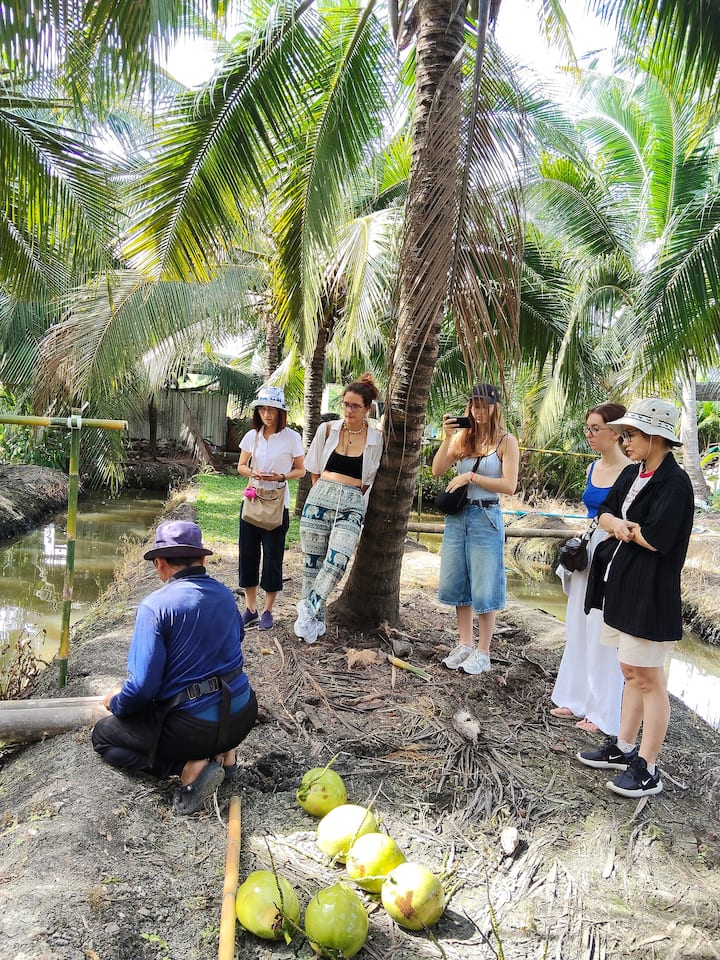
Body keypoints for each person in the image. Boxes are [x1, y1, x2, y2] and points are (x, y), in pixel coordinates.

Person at [92, 520, 258, 815]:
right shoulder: (224, 595)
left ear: (159, 563)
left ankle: (188, 768)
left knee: (103, 736)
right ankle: (226, 755)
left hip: (193, 730)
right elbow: (237, 639)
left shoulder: (155, 606)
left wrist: (116, 702)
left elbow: (142, 688)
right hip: (242, 715)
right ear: (203, 559)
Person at [577, 398, 694, 798]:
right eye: (624, 435)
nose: (625, 442)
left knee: (649, 678)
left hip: (650, 593)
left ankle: (648, 766)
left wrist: (625, 529)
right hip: (623, 587)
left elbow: (658, 537)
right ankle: (624, 747)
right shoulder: (634, 474)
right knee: (629, 671)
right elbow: (605, 512)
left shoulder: (674, 484)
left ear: (656, 437)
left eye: (630, 435)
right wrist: (618, 525)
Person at [550, 403, 630, 735]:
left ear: (615, 432)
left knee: (602, 630)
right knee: (577, 623)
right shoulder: (592, 468)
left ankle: (601, 709)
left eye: (595, 429)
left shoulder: (631, 472)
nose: (589, 435)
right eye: (588, 428)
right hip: (586, 551)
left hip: (613, 554)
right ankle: (575, 696)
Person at [432, 383, 520, 674]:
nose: (479, 412)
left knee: (484, 584)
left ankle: (484, 651)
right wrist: (446, 439)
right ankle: (465, 644)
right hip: (458, 518)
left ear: (495, 407)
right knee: (458, 582)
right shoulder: (463, 438)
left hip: (486, 516)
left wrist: (471, 477)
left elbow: (509, 485)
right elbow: (437, 470)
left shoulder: (506, 441)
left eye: (485, 406)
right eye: (475, 406)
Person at [294, 373, 383, 644]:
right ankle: (314, 624)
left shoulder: (375, 439)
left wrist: (348, 497)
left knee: (338, 560)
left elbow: (368, 480)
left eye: (355, 406)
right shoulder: (328, 429)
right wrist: (323, 494)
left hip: (352, 502)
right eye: (345, 404)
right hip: (320, 497)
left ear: (367, 408)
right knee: (312, 564)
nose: (348, 410)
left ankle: (307, 606)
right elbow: (315, 470)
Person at [237, 386, 305, 629]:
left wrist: (282, 477)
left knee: (272, 559)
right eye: (263, 409)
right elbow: (241, 466)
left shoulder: (292, 438)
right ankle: (250, 608)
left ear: (280, 412)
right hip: (252, 503)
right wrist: (252, 472)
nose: (267, 414)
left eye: (271, 409)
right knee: (247, 555)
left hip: (277, 504)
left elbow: (301, 469)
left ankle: (267, 610)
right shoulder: (252, 436)